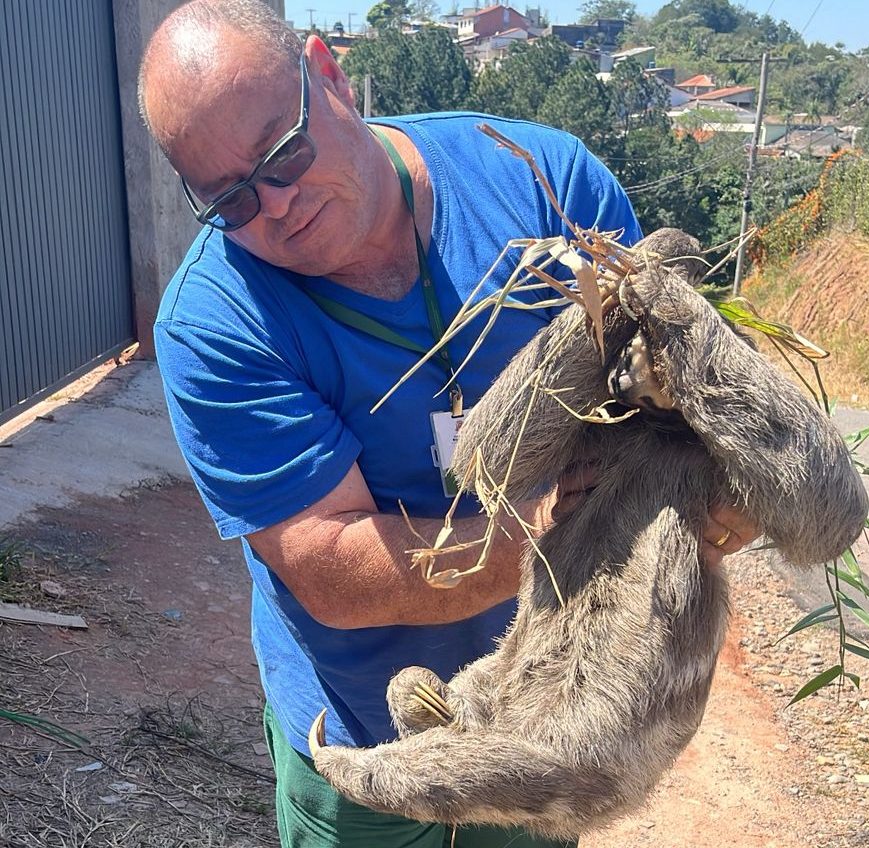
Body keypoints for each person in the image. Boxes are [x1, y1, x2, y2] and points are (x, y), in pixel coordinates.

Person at [138, 2, 759, 846]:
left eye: (282, 154)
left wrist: (718, 480)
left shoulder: (544, 187)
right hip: (361, 737)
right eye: (233, 201)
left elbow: (656, 408)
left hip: (537, 713)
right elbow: (329, 564)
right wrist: (553, 535)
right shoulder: (216, 322)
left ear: (328, 74)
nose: (275, 206)